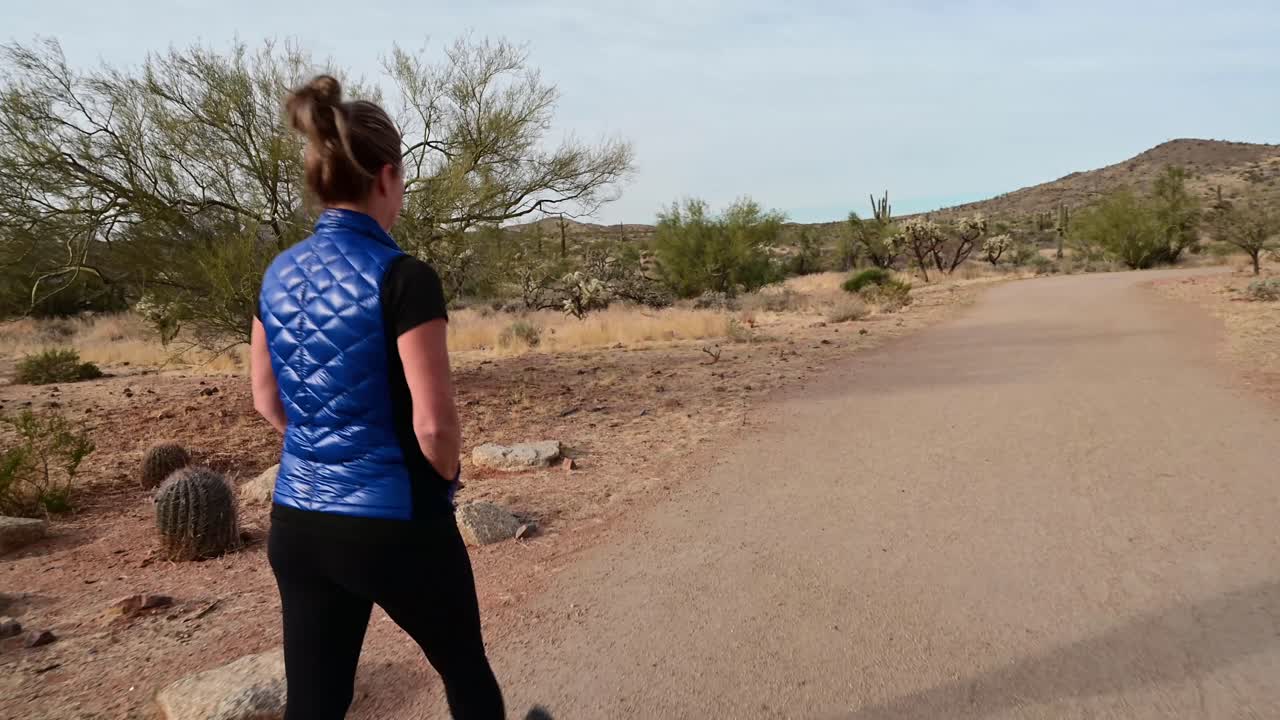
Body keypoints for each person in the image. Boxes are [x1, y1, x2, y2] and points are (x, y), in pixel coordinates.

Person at [250, 74, 504, 720]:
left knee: (316, 703)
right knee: (466, 672)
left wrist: (320, 451)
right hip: (395, 522)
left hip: (298, 524)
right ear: (387, 176)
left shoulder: (278, 273)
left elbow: (266, 400)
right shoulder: (404, 277)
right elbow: (434, 424)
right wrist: (443, 483)